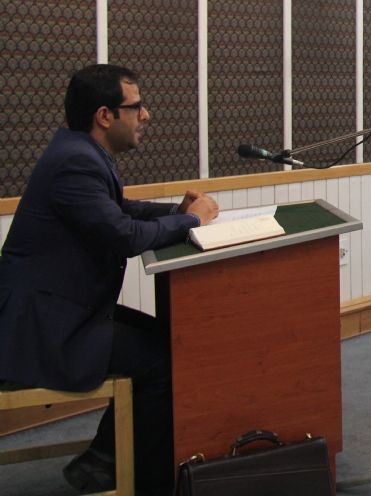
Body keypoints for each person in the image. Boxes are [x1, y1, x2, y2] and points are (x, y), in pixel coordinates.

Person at [0, 64, 219, 495]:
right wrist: (191, 220)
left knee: (172, 341)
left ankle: (103, 458)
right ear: (105, 115)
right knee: (165, 362)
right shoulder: (76, 163)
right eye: (136, 107)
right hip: (43, 326)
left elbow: (119, 210)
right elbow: (122, 236)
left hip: (62, 308)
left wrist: (175, 213)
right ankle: (134, 477)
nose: (146, 115)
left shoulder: (78, 152)